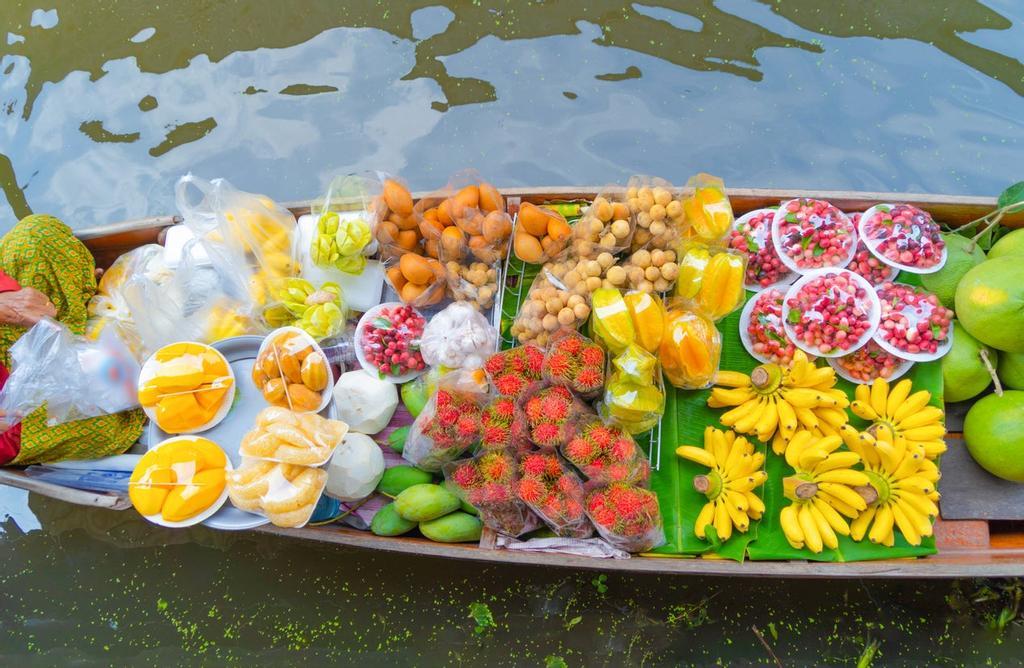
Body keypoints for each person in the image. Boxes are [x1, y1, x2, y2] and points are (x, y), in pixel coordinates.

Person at [0, 215, 145, 465]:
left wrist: (4, 300)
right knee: (106, 415)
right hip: (10, 411)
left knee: (36, 236)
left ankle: (82, 315)